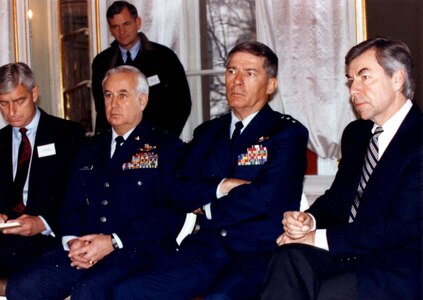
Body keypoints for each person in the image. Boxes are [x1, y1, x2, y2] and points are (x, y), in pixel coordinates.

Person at [113, 41, 309, 300]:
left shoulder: (286, 133)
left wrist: (206, 207)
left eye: (249, 73)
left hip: (256, 252)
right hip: (205, 249)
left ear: (271, 85)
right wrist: (222, 186)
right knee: (129, 290)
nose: (236, 81)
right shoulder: (207, 133)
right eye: (231, 71)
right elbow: (173, 188)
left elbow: (269, 198)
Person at [260, 37, 422, 300]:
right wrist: (308, 220)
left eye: (364, 77)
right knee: (288, 258)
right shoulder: (356, 134)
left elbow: (398, 228)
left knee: (332, 292)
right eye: (350, 80)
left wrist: (317, 238)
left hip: (400, 262)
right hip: (349, 251)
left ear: (397, 79)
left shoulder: (418, 140)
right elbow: (338, 197)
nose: (353, 90)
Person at [6, 65, 185, 300]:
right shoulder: (90, 147)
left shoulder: (167, 147)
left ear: (142, 100)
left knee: (89, 290)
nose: (114, 103)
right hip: (84, 249)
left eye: (123, 95)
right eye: (108, 95)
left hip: (138, 249)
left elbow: (170, 212)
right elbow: (71, 205)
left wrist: (113, 241)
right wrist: (72, 242)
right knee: (21, 287)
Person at [0, 62, 85, 295]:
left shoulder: (68, 135)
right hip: (6, 237)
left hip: (46, 238)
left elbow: (76, 198)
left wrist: (43, 222)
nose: (11, 112)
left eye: (19, 101)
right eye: (3, 104)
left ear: (34, 94)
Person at [92, 0, 191, 136]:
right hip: (117, 143)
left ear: (138, 22)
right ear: (111, 30)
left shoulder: (164, 57)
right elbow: (102, 109)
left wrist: (166, 139)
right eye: (116, 26)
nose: (122, 31)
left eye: (126, 24)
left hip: (157, 141)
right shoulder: (102, 63)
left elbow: (182, 103)